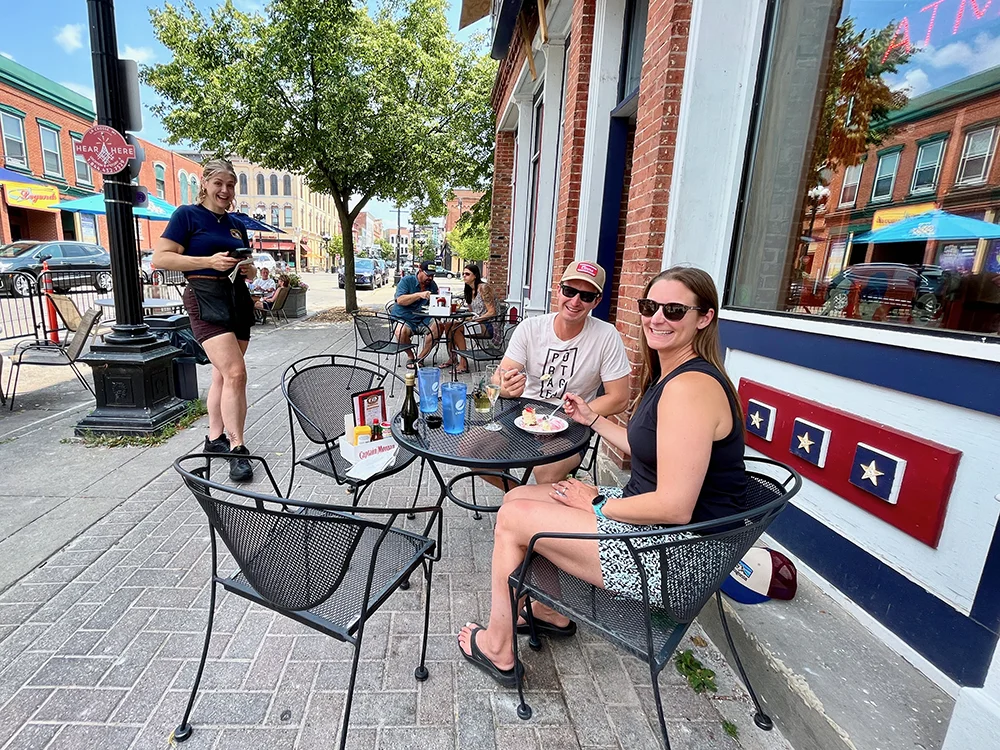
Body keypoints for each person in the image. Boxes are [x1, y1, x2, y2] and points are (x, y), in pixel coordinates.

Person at [458, 266, 749, 687]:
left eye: (674, 310)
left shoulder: (690, 388)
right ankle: (550, 610)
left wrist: (597, 502)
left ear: (704, 317)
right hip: (657, 532)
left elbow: (675, 506)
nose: (658, 318)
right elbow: (645, 446)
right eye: (650, 307)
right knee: (516, 500)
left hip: (674, 557)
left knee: (515, 519)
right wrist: (592, 417)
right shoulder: (679, 374)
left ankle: (499, 646)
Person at [152, 158, 255, 482]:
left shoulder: (236, 223)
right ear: (206, 183)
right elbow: (161, 257)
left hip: (236, 298)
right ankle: (237, 449)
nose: (225, 191)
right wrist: (208, 261)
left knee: (223, 376)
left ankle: (214, 439)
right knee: (236, 373)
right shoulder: (187, 215)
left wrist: (248, 270)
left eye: (230, 185)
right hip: (204, 295)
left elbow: (243, 260)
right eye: (219, 183)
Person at [495, 261, 631, 484]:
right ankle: (520, 495)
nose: (575, 301)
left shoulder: (606, 335)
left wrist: (574, 415)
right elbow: (499, 377)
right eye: (569, 291)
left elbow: (620, 398)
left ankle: (527, 504)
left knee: (546, 470)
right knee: (470, 446)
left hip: (572, 426)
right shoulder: (530, 328)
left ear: (596, 301)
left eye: (586, 296)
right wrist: (504, 387)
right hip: (524, 415)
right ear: (558, 290)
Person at [439, 263, 497, 374]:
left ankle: (463, 363)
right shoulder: (469, 290)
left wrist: (474, 320)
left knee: (456, 328)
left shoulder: (484, 288)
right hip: (477, 323)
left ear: (475, 276)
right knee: (448, 325)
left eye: (467, 274)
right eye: (463, 274)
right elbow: (471, 312)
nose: (464, 276)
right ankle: (453, 357)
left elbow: (492, 312)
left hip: (490, 325)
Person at [391, 260, 441, 368]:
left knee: (439, 327)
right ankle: (411, 357)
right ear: (420, 270)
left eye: (433, 275)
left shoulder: (432, 285)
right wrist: (419, 295)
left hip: (424, 318)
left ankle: (420, 358)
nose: (431, 278)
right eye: (428, 275)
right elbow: (400, 300)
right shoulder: (407, 280)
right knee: (400, 331)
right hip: (405, 317)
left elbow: (436, 303)